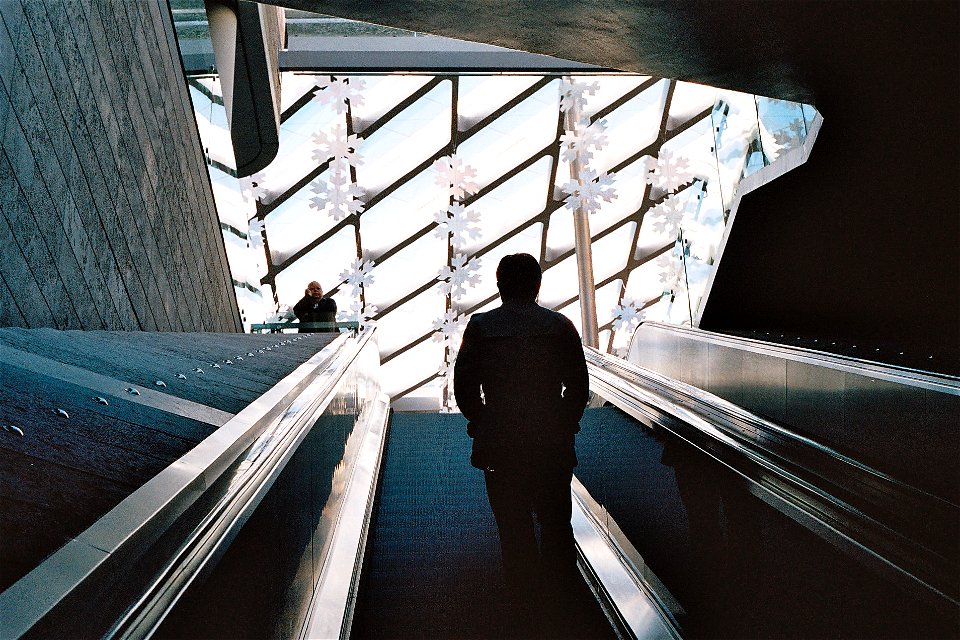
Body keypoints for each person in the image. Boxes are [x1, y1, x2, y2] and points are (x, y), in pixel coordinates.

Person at [453, 253, 589, 627]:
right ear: (537, 285)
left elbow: (464, 385)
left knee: (513, 527)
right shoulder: (559, 326)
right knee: (557, 520)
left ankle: (524, 605)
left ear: (499, 286)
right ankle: (564, 602)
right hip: (550, 441)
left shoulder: (480, 327)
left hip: (501, 442)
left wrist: (484, 420)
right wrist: (564, 420)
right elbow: (579, 384)